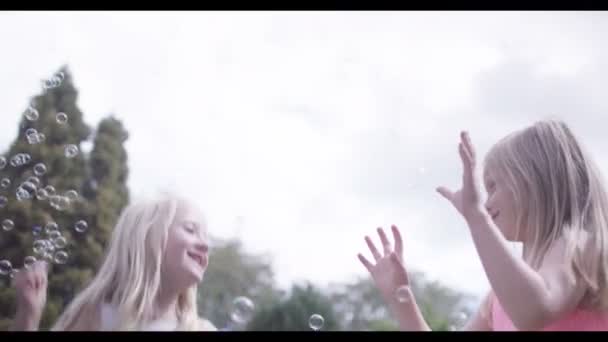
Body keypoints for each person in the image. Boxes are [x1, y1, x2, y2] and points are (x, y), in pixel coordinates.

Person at [359, 120, 608, 330]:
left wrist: (476, 217)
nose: (486, 204)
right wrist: (400, 296)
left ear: (535, 183)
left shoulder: (578, 245)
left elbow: (534, 312)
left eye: (493, 187)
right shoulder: (499, 299)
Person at [11, 194, 217, 331]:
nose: (205, 245)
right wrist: (29, 314)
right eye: (190, 230)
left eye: (206, 237)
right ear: (145, 239)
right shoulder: (95, 315)